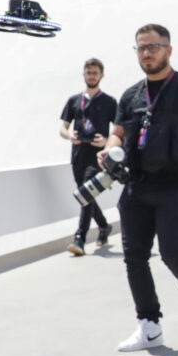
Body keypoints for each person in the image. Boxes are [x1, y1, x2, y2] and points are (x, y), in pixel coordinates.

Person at [105, 24, 178, 351]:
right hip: (135, 187)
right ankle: (149, 326)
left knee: (173, 252)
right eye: (141, 47)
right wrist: (109, 147)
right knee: (134, 257)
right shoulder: (130, 96)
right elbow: (117, 133)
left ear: (168, 50)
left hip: (177, 187)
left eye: (154, 46)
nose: (147, 53)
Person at [60, 58, 117, 254]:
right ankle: (103, 226)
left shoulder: (109, 102)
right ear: (83, 74)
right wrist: (69, 136)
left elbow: (120, 131)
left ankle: (79, 239)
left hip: (98, 155)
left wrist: (106, 141)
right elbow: (63, 128)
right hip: (78, 154)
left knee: (86, 192)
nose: (91, 75)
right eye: (88, 72)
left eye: (95, 72)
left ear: (102, 75)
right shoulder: (74, 100)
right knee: (87, 195)